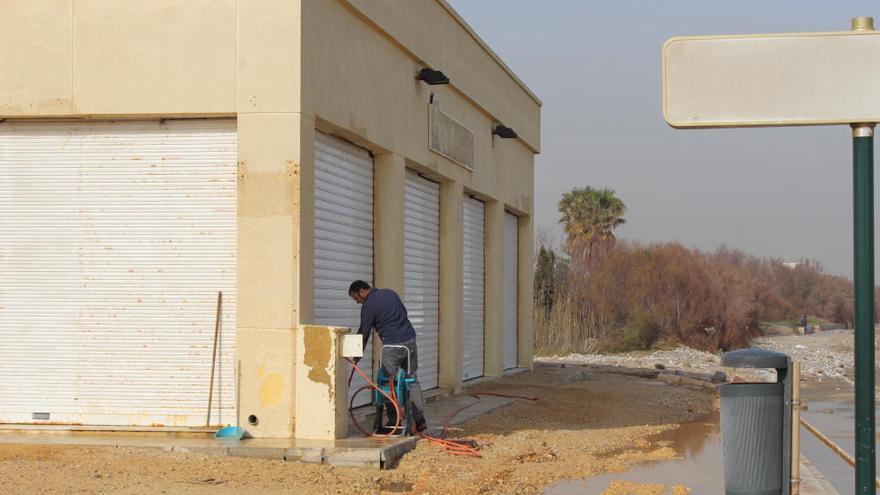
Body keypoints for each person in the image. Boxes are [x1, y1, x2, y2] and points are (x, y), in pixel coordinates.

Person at [348, 280, 428, 432]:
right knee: (412, 380)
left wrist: (356, 355)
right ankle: (419, 419)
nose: (358, 302)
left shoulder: (368, 305)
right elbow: (403, 314)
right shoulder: (391, 294)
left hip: (392, 345)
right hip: (410, 341)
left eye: (356, 298)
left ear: (361, 291)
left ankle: (394, 420)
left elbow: (364, 331)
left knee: (387, 383)